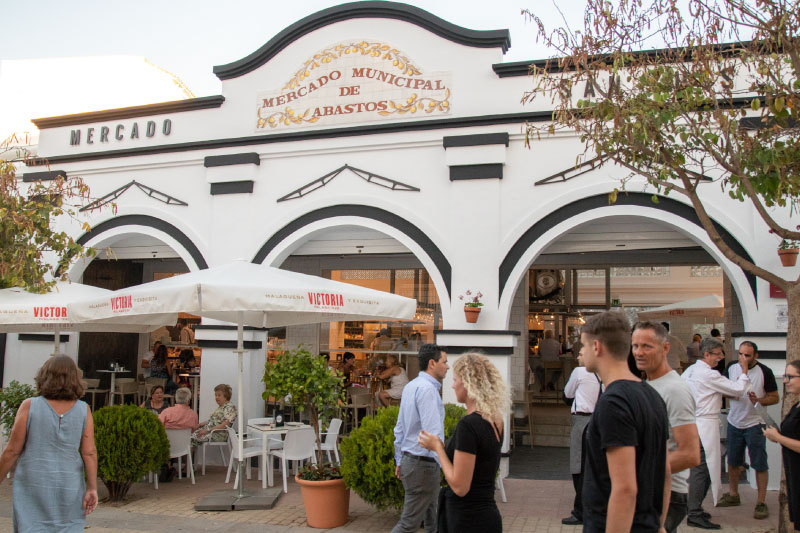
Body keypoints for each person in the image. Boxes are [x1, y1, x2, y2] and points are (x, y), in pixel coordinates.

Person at [579, 311, 670, 532]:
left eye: (583, 345)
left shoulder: (614, 402)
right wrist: (659, 525)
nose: (581, 352)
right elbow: (665, 471)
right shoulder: (651, 394)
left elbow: (625, 488)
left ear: (597, 347)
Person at [0, 355, 98, 530]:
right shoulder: (84, 410)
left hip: (32, 484)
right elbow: (89, 452)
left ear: (44, 377)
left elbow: (12, 451)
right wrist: (92, 488)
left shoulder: (29, 406)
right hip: (69, 484)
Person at [418, 353, 510, 533]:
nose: (452, 385)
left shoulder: (468, 426)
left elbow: (460, 487)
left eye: (455, 380)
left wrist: (437, 448)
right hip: (487, 516)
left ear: (467, 384)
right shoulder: (495, 419)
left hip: (467, 519)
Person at [632, 321, 700, 533]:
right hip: (652, 490)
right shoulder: (650, 384)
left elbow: (690, 454)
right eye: (635, 346)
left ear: (666, 348)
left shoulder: (674, 390)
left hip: (668, 495)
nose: (639, 353)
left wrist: (635, 471)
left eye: (647, 346)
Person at [682, 337, 750, 529]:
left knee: (704, 467)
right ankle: (694, 512)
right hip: (703, 425)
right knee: (702, 469)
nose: (720, 358)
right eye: (718, 354)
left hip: (691, 423)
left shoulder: (689, 371)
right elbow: (738, 388)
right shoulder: (708, 375)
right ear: (707, 354)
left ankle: (694, 507)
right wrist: (744, 370)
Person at [717, 341, 778, 519]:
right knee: (733, 460)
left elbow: (774, 397)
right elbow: (723, 389)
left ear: (755, 356)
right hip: (734, 421)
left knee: (759, 462)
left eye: (747, 355)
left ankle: (761, 501)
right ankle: (733, 494)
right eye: (741, 354)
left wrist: (759, 399)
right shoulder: (731, 367)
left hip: (755, 423)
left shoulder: (764, 371)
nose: (743, 358)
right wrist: (733, 393)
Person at [392, 343, 449, 533]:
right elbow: (433, 435)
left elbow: (399, 429)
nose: (448, 366)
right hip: (423, 465)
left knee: (432, 521)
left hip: (413, 462)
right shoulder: (427, 390)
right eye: (445, 362)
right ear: (432, 363)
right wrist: (443, 464)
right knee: (409, 524)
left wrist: (400, 459)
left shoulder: (411, 386)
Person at [560, 347, 602, 526]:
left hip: (581, 420)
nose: (577, 357)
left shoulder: (579, 372)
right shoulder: (602, 374)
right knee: (591, 465)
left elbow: (568, 393)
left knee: (578, 465)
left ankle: (580, 511)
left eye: (581, 354)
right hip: (597, 421)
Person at [763, 360, 800, 532]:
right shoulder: (796, 405)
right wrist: (776, 436)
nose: (785, 380)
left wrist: (778, 437)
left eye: (790, 376)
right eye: (785, 376)